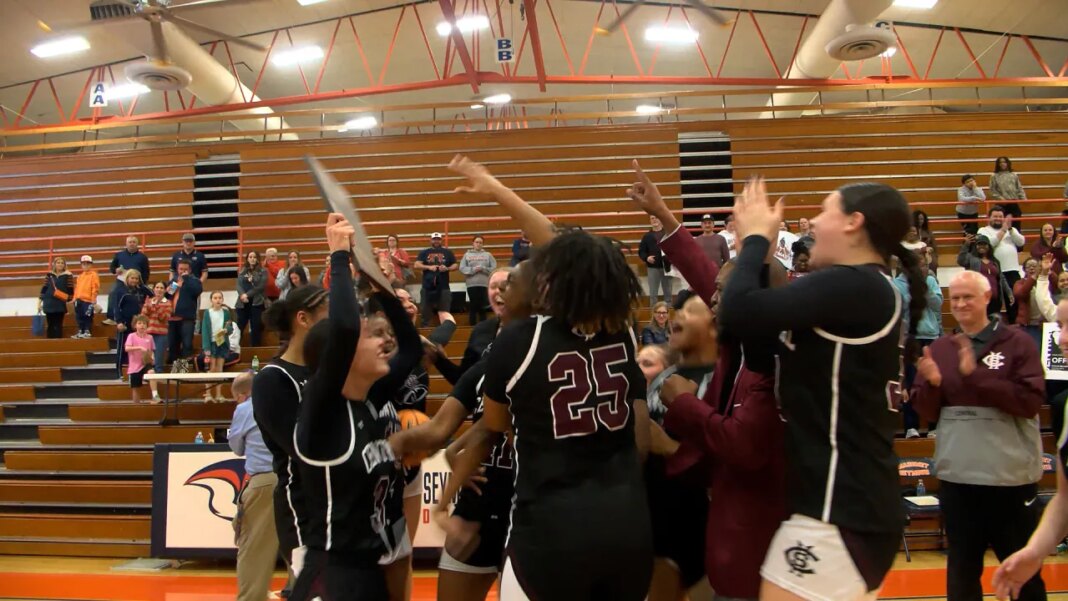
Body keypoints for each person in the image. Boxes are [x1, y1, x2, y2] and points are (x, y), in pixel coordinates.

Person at [440, 155, 653, 601]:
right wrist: (496, 187)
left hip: (551, 532)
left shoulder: (519, 343)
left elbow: (496, 426)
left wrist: (494, 187)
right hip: (628, 527)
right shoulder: (623, 328)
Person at [718, 177, 925, 601]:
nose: (812, 221)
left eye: (824, 210)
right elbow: (757, 350)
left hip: (841, 511)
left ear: (854, 222)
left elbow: (738, 311)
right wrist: (756, 259)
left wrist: (755, 240)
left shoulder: (855, 285)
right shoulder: (856, 292)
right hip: (844, 507)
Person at [629, 160, 787, 601]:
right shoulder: (740, 341)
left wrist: (684, 405)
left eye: (721, 294)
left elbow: (744, 446)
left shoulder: (771, 362)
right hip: (724, 527)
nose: (710, 298)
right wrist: (663, 215)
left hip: (756, 536)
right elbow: (709, 276)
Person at [912, 270, 1046, 601]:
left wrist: (978, 376)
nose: (960, 304)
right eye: (955, 298)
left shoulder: (1017, 343)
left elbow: (1030, 402)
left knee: (1020, 570)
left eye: (968, 296)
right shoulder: (941, 348)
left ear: (987, 297)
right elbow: (928, 413)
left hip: (1010, 481)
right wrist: (931, 384)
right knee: (961, 568)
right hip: (959, 479)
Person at [287, 214, 400, 600]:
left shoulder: (366, 407)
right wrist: (338, 257)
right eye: (372, 336)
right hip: (332, 577)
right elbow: (347, 328)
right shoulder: (323, 414)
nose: (383, 343)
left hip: (368, 572)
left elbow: (411, 348)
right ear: (342, 355)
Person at [253, 283, 329, 600]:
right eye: (329, 313)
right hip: (302, 504)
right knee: (314, 591)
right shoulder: (273, 378)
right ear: (303, 319)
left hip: (334, 503)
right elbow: (302, 449)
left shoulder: (325, 371)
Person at [992, 299, 1068, 601]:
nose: (1062, 339)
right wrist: (1035, 551)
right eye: (1061, 326)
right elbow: (1064, 500)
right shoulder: (1064, 406)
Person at [228, 371, 278, 601]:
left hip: (264, 479)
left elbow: (237, 447)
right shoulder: (283, 399)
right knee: (295, 542)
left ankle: (251, 596)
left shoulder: (245, 409)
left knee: (252, 545)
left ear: (243, 394)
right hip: (294, 478)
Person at [898, 251, 943, 440]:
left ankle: (934, 426)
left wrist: (924, 286)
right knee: (910, 382)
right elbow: (902, 309)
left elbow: (937, 304)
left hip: (931, 336)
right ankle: (911, 426)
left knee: (932, 382)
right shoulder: (897, 284)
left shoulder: (931, 281)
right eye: (917, 265)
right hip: (909, 338)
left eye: (924, 265)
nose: (921, 268)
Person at [958, 233, 1013, 319]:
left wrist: (1009, 293)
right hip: (978, 299)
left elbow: (1001, 278)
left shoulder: (995, 262)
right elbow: (961, 260)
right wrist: (966, 245)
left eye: (984, 244)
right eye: (979, 244)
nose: (982, 246)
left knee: (993, 326)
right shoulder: (972, 259)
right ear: (976, 246)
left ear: (989, 246)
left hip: (995, 300)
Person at [114, 270, 153, 379]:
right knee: (122, 348)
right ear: (127, 278)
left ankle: (138, 371)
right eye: (132, 278)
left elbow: (152, 294)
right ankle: (119, 372)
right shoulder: (121, 291)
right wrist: (119, 322)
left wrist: (142, 285)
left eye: (136, 278)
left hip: (137, 324)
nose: (134, 280)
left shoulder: (140, 290)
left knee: (137, 348)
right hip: (125, 323)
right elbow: (116, 307)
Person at [165, 259, 204, 364]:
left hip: (187, 318)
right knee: (172, 345)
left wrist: (187, 279)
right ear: (177, 269)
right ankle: (174, 370)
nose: (183, 271)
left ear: (190, 270)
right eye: (181, 269)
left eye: (185, 269)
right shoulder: (173, 281)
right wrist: (169, 289)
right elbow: (168, 296)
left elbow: (197, 291)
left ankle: (186, 368)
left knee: (187, 344)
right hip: (172, 318)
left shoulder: (194, 281)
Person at [104, 236, 149, 325]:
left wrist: (142, 283)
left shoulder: (142, 257)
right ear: (126, 243)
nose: (131, 244)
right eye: (130, 242)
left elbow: (146, 272)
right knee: (113, 293)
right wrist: (116, 270)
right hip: (121, 281)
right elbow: (112, 268)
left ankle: (140, 317)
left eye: (133, 242)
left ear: (137, 244)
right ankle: (111, 317)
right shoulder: (119, 255)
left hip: (136, 282)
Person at [414, 233, 457, 327]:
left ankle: (445, 329)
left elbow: (455, 265)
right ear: (431, 240)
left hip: (444, 286)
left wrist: (447, 268)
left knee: (445, 311)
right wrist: (429, 267)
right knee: (425, 311)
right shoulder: (424, 252)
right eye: (434, 239)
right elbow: (416, 264)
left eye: (438, 239)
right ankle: (425, 330)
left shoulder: (448, 252)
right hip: (427, 287)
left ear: (441, 240)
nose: (436, 241)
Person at [201, 291, 233, 402]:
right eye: (215, 298)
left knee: (219, 369)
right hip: (211, 343)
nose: (218, 300)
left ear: (222, 300)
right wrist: (206, 348)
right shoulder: (207, 313)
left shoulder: (226, 313)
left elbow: (230, 328)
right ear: (211, 300)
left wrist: (226, 330)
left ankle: (219, 394)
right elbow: (205, 330)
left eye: (220, 298)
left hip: (222, 343)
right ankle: (208, 394)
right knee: (212, 368)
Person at [459, 235, 497, 325]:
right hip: (471, 284)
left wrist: (484, 269)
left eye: (480, 242)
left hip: (484, 284)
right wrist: (473, 270)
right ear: (473, 243)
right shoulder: (467, 255)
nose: (478, 244)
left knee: (483, 306)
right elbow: (462, 268)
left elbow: (494, 267)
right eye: (477, 242)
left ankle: (483, 326)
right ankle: (472, 326)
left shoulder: (488, 255)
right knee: (473, 305)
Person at [124, 315, 160, 403]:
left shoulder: (150, 337)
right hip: (134, 366)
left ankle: (155, 396)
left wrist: (152, 358)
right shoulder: (131, 336)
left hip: (146, 363)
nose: (142, 325)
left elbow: (152, 351)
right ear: (135, 325)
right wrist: (139, 347)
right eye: (139, 323)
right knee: (136, 388)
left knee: (152, 372)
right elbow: (127, 348)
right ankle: (136, 407)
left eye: (144, 323)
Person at [640, 215, 673, 307]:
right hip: (652, 268)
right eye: (652, 218)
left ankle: (668, 313)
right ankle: (652, 314)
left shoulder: (668, 234)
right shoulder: (647, 236)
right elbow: (641, 252)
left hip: (667, 267)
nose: (654, 220)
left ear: (661, 219)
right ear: (650, 221)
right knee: (653, 294)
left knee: (668, 293)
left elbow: (676, 249)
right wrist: (647, 258)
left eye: (656, 217)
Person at [236, 250, 267, 347]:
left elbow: (260, 287)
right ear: (247, 259)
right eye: (250, 257)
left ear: (257, 259)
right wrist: (242, 295)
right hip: (243, 302)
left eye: (254, 257)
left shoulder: (263, 271)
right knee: (239, 326)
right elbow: (238, 285)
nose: (252, 259)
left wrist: (247, 295)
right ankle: (235, 347)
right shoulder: (242, 270)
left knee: (256, 326)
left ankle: (255, 348)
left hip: (256, 302)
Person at [140, 282, 173, 371]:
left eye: (161, 288)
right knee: (147, 358)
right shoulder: (148, 301)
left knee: (158, 359)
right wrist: (148, 307)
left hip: (161, 334)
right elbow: (143, 317)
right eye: (157, 287)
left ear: (165, 290)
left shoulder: (168, 303)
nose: (159, 289)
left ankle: (158, 378)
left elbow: (164, 318)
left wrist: (157, 307)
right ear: (154, 289)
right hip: (148, 333)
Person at [38, 257, 73, 339]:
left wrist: (70, 301)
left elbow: (70, 289)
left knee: (58, 324)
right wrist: (39, 302)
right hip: (48, 302)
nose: (60, 264)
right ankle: (50, 344)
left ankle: (58, 343)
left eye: (62, 263)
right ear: (54, 264)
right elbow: (44, 288)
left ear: (64, 265)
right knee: (50, 324)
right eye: (58, 262)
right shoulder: (49, 275)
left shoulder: (68, 275)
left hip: (60, 303)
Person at [1014, 258, 1045, 347]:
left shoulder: (1044, 282)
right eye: (1028, 267)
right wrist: (1033, 278)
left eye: (1034, 266)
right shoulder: (1019, 283)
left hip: (1043, 324)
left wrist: (1047, 271)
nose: (1031, 268)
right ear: (1024, 270)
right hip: (1027, 325)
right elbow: (1020, 294)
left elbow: (1056, 285)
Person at [1031, 223, 1067, 290]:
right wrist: (1052, 248)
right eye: (1045, 230)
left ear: (1054, 231)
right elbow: (1037, 255)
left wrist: (1059, 248)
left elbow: (1064, 259)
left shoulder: (1058, 243)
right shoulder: (1036, 244)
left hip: (1058, 275)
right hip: (1043, 275)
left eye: (1050, 230)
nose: (1048, 232)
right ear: (1041, 232)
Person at [71, 255, 99, 339]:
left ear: (91, 265)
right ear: (81, 265)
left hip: (88, 300)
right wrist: (74, 298)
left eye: (88, 264)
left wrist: (93, 299)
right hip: (79, 300)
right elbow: (77, 288)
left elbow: (95, 287)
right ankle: (81, 330)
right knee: (79, 316)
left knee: (87, 316)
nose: (86, 265)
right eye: (84, 264)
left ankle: (87, 331)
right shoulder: (80, 276)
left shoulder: (94, 275)